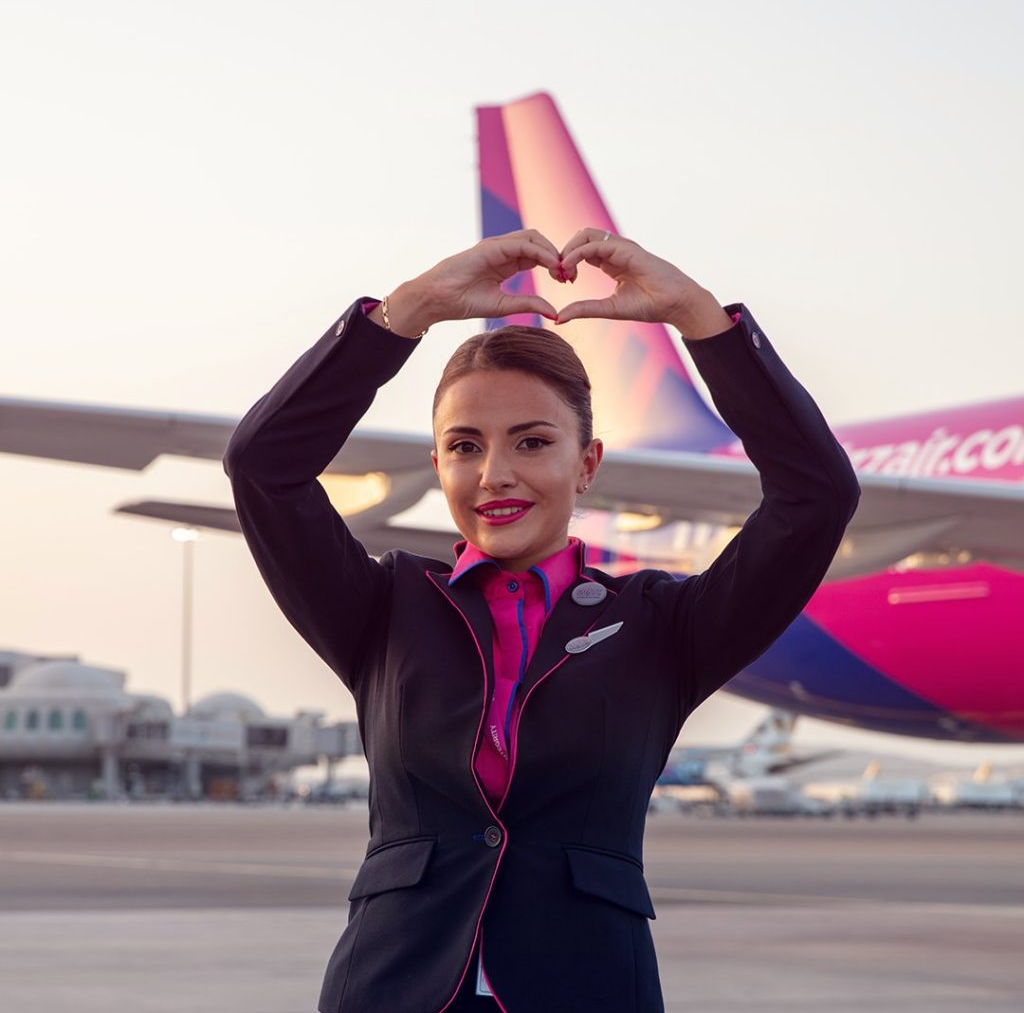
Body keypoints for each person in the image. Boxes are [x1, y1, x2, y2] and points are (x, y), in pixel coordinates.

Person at [222, 228, 861, 1013]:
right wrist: (406, 313)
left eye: (532, 442)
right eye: (465, 446)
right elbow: (263, 466)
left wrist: (703, 321)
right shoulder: (382, 611)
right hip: (394, 989)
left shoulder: (664, 628)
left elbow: (817, 495)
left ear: (585, 464)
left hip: (588, 987)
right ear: (438, 466)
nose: (495, 475)